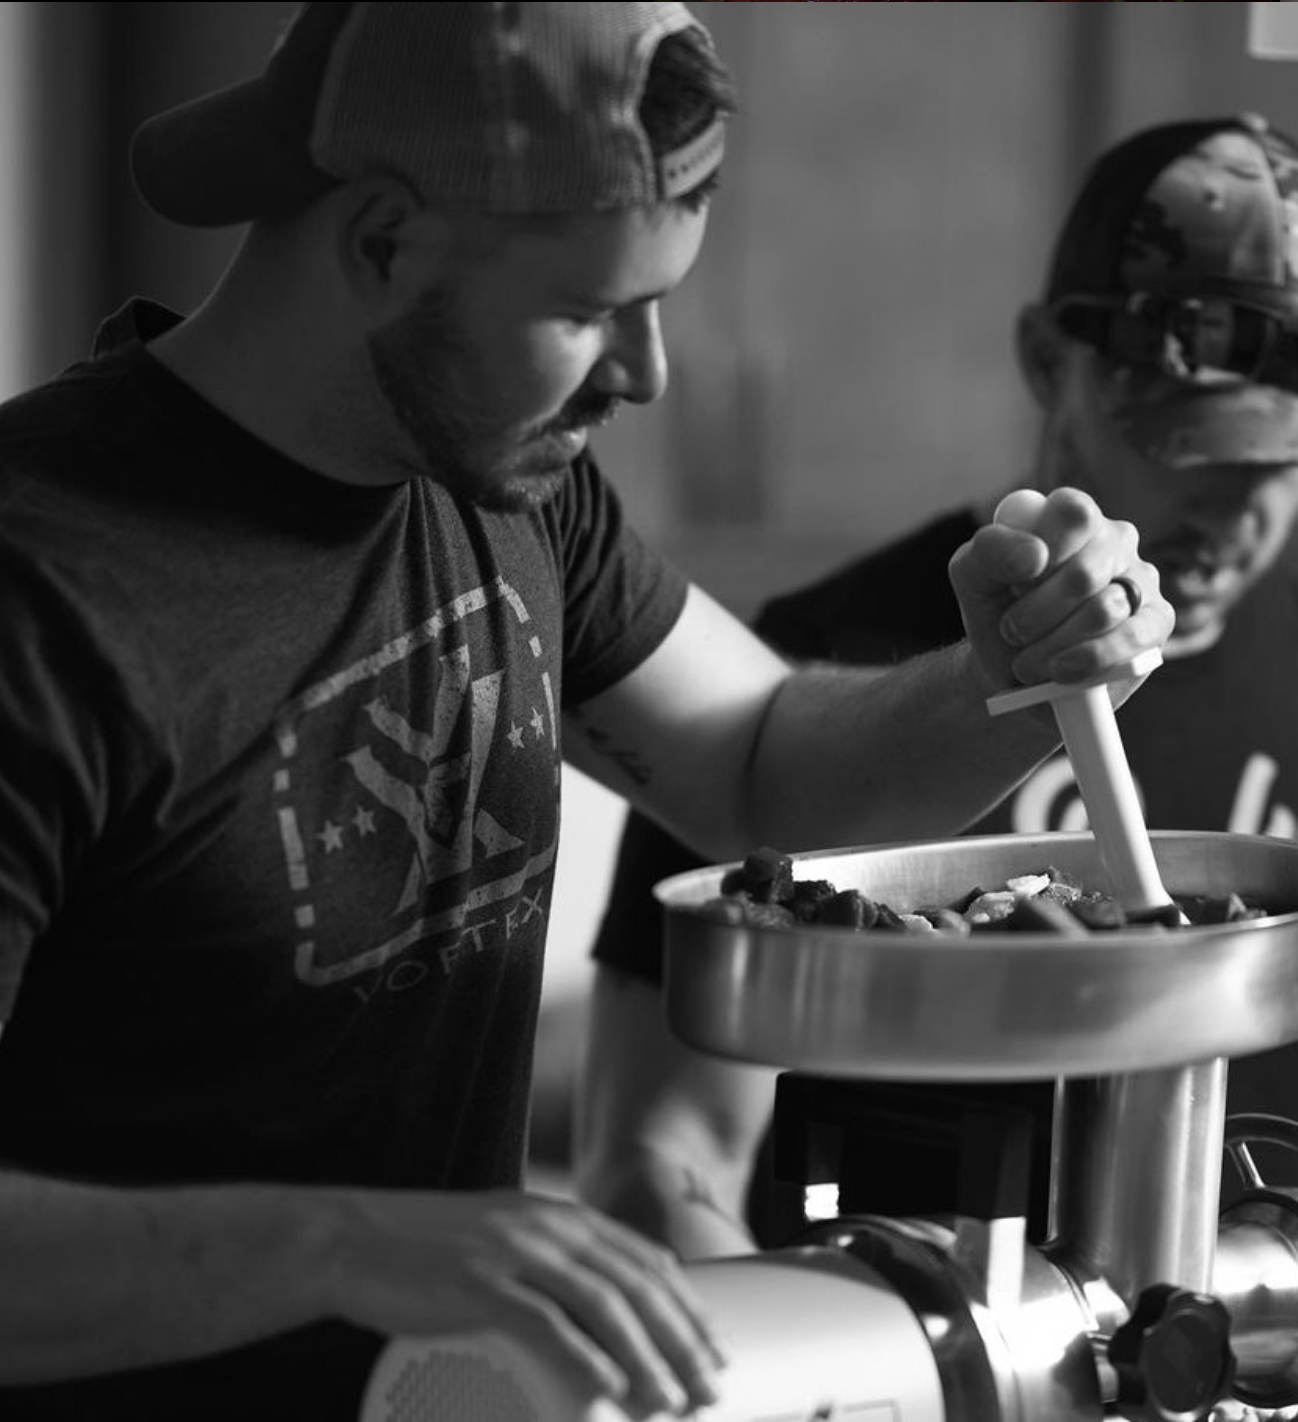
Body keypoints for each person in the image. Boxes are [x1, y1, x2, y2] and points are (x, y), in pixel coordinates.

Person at [0, 5, 1171, 1420]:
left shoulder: (504, 475)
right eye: (582, 310)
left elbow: (755, 767)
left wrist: (1022, 673)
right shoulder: (45, 590)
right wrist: (336, 1239)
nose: (647, 371)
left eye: (661, 300)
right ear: (381, 241)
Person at [575, 112, 1298, 1262]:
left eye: (1281, 463)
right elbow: (661, 1158)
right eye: (1182, 444)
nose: (1231, 518)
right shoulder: (818, 668)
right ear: (1043, 361)